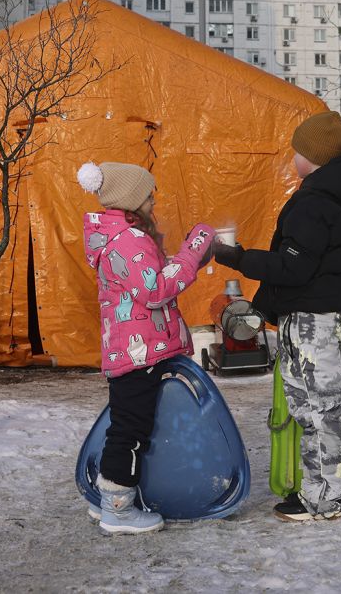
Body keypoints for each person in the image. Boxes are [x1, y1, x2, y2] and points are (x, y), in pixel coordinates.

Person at [213, 111, 341, 522]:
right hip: (322, 317)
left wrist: (239, 258)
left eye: (297, 151)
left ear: (312, 156)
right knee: (313, 407)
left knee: (319, 409)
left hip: (313, 323)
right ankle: (321, 490)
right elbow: (307, 266)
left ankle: (325, 500)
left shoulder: (316, 202)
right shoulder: (335, 197)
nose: (293, 158)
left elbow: (293, 267)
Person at [77, 161, 214, 534]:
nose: (153, 200)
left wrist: (188, 259)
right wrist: (193, 252)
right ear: (131, 199)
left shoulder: (119, 237)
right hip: (139, 355)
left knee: (125, 425)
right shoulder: (130, 240)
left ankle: (108, 498)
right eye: (148, 194)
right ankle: (117, 509)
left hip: (131, 351)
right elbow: (155, 290)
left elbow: (149, 276)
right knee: (131, 430)